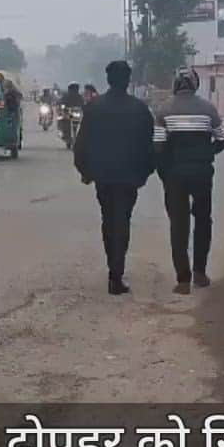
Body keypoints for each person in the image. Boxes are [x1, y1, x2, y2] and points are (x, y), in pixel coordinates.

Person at [74, 61, 155, 295]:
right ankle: (116, 273)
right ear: (127, 80)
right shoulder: (140, 109)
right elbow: (151, 146)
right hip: (129, 177)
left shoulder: (94, 108)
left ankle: (114, 269)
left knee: (108, 220)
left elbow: (81, 145)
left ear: (108, 80)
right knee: (122, 222)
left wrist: (86, 172)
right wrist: (144, 173)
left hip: (103, 177)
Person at [155, 66, 224, 293]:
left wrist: (165, 173)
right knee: (203, 220)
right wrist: (207, 153)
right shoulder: (208, 109)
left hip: (175, 175)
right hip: (202, 172)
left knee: (179, 224)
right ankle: (200, 272)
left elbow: (158, 147)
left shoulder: (163, 110)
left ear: (175, 85)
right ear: (195, 85)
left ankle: (183, 279)